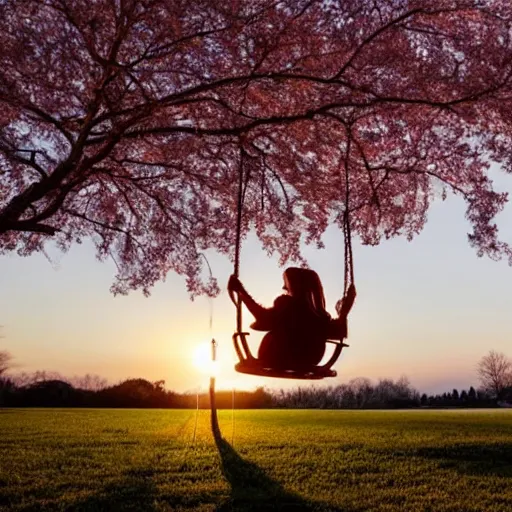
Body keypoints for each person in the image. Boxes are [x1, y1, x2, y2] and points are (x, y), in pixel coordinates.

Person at [228, 267, 356, 370]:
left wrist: (241, 291)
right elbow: (339, 333)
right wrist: (343, 313)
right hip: (311, 359)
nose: (284, 288)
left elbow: (263, 319)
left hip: (277, 357)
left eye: (286, 283)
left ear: (295, 285)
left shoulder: (286, 303)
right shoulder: (320, 315)